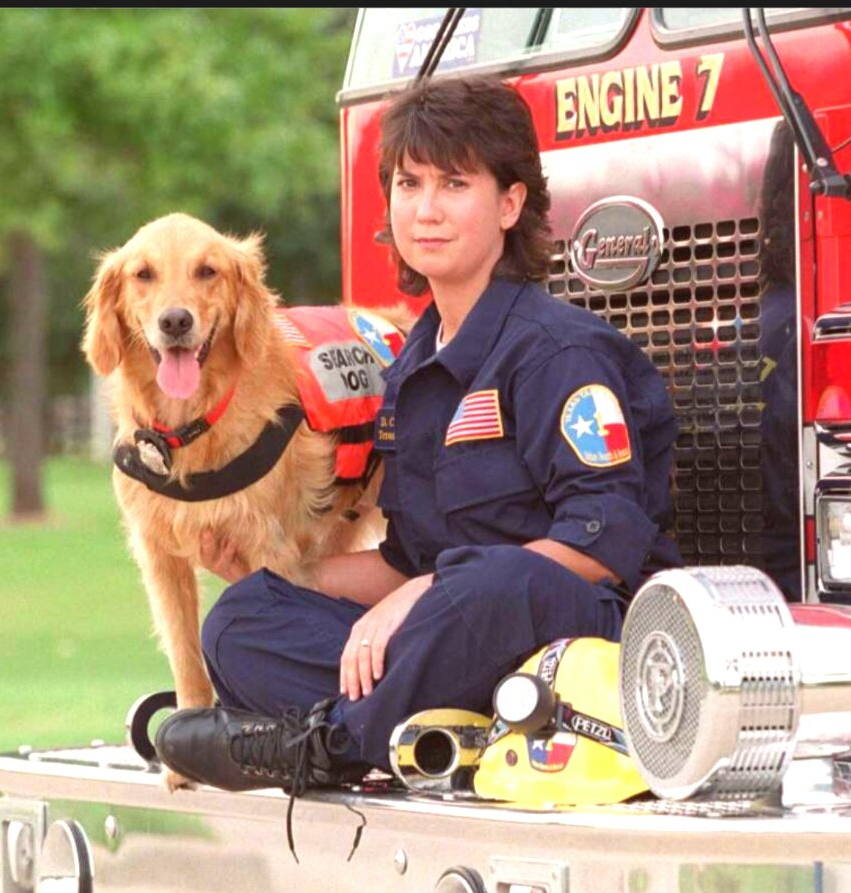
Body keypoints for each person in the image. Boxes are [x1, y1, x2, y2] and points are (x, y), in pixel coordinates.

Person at [155, 74, 681, 800]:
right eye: (409, 183)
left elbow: (602, 543)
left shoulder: (559, 354)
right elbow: (404, 560)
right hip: (445, 641)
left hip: (570, 642)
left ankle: (325, 743)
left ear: (510, 203)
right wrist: (271, 575)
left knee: (497, 579)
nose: (425, 209)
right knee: (244, 618)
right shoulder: (411, 367)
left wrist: (434, 587)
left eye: (454, 184)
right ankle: (432, 731)